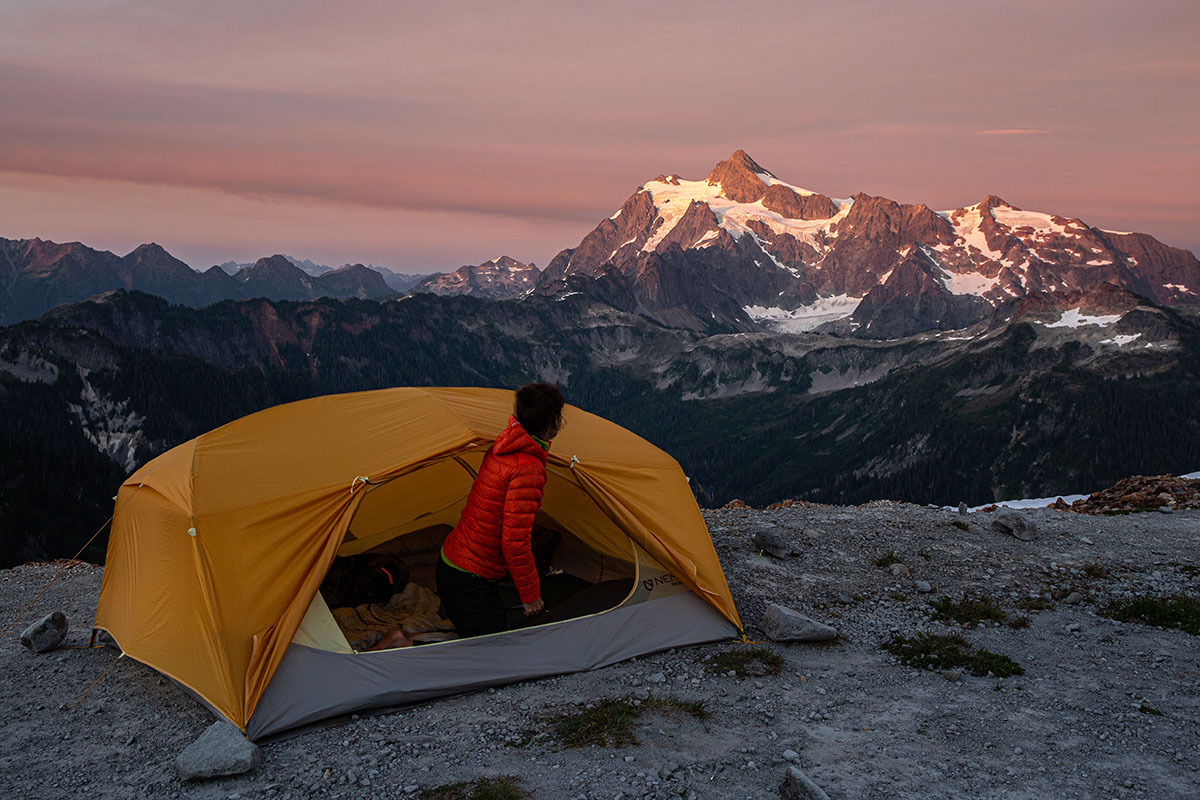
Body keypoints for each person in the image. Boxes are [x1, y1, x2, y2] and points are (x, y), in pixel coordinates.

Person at [435, 382, 565, 638]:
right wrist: (530, 596)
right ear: (552, 423)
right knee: (494, 655)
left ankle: (404, 639)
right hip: (469, 578)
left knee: (472, 635)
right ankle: (399, 643)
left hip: (454, 562)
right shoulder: (527, 468)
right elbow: (514, 540)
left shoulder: (504, 445)